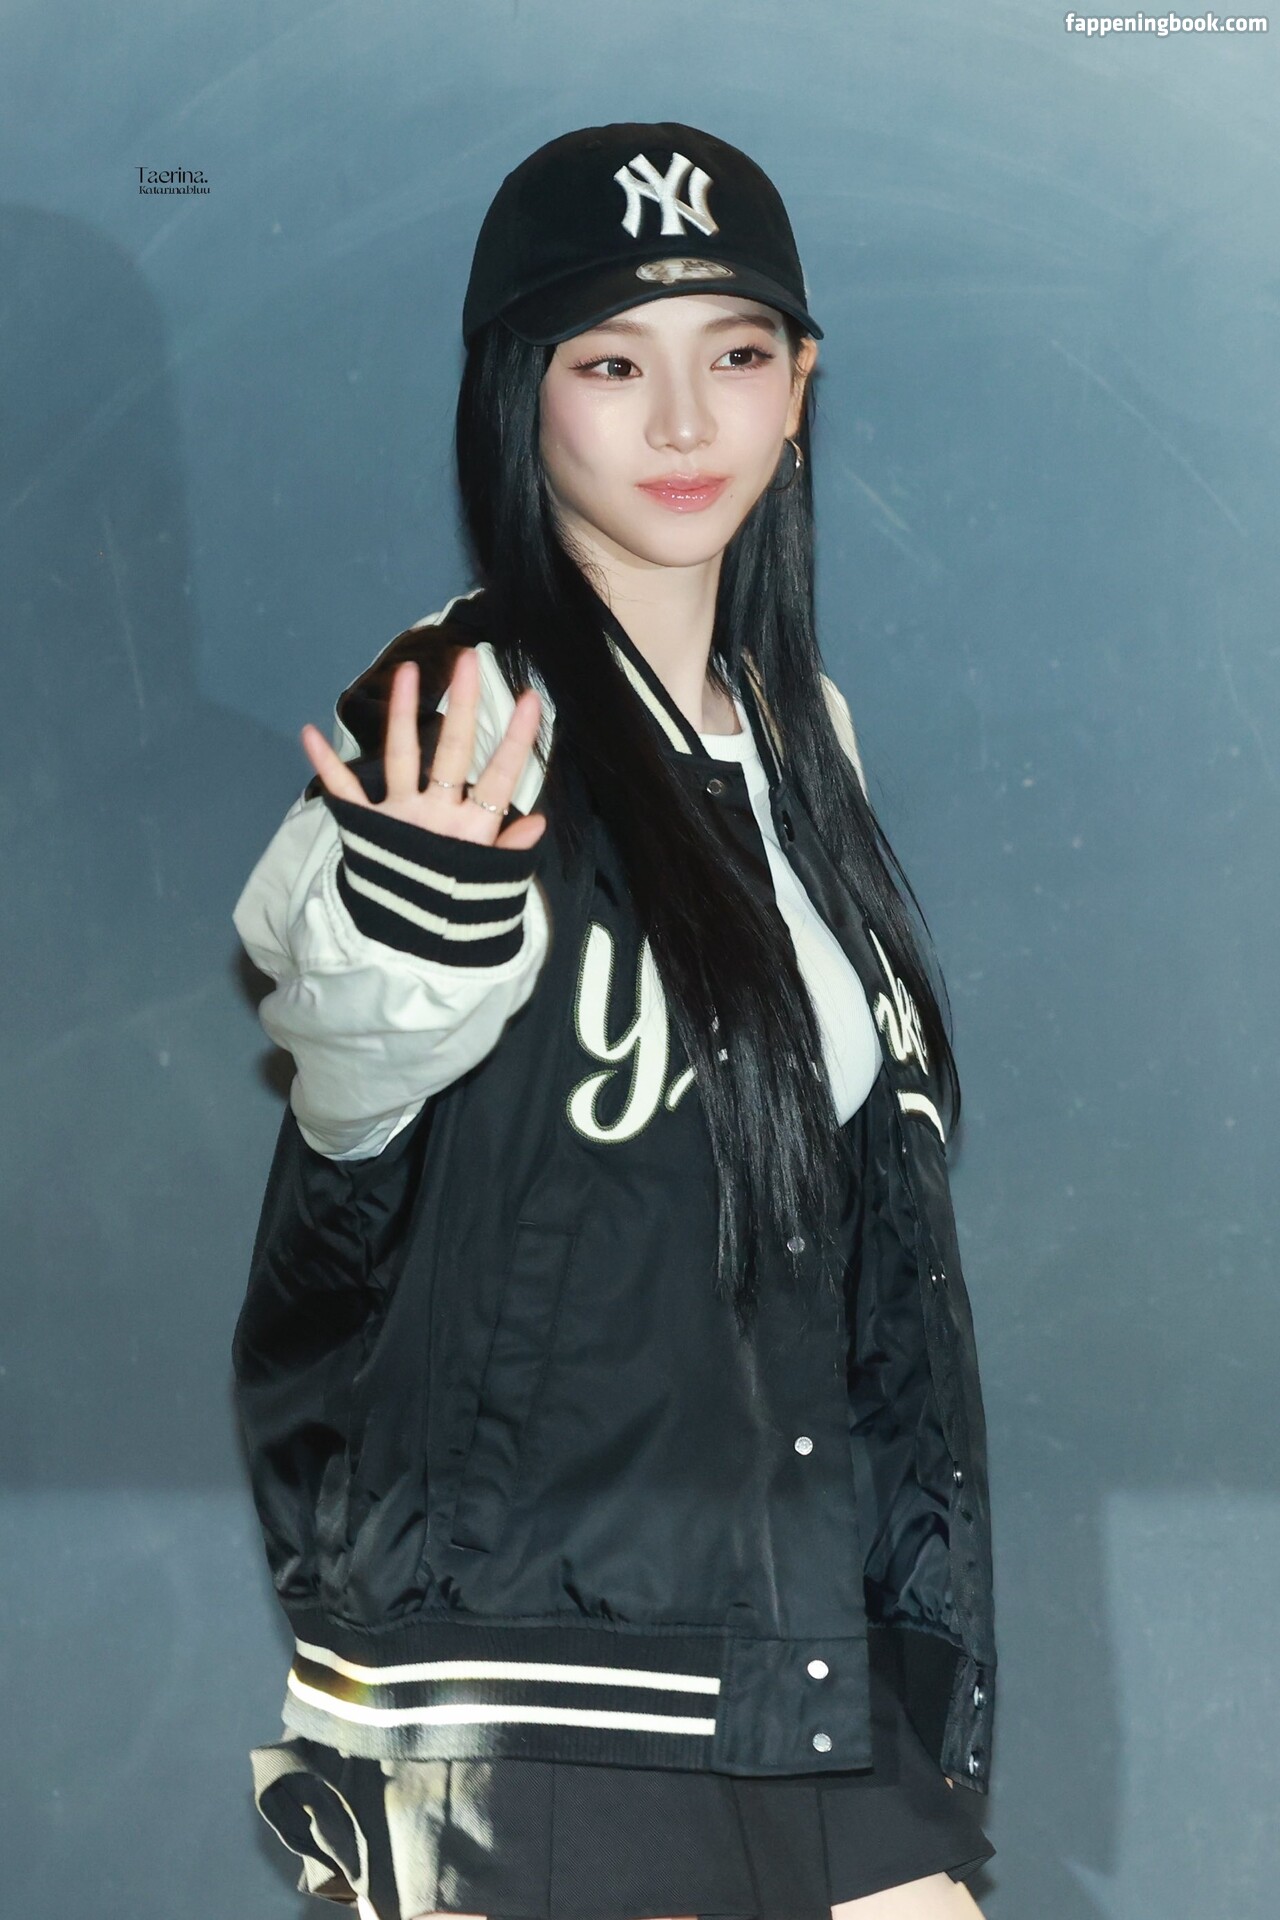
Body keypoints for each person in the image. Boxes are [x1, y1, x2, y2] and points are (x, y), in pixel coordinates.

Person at [231, 122, 998, 1920]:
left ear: (800, 389)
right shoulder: (458, 707)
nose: (681, 421)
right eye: (609, 363)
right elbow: (348, 1059)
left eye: (735, 353)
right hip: (531, 1697)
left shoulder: (799, 736)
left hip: (804, 1669)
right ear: (520, 397)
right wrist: (406, 932)